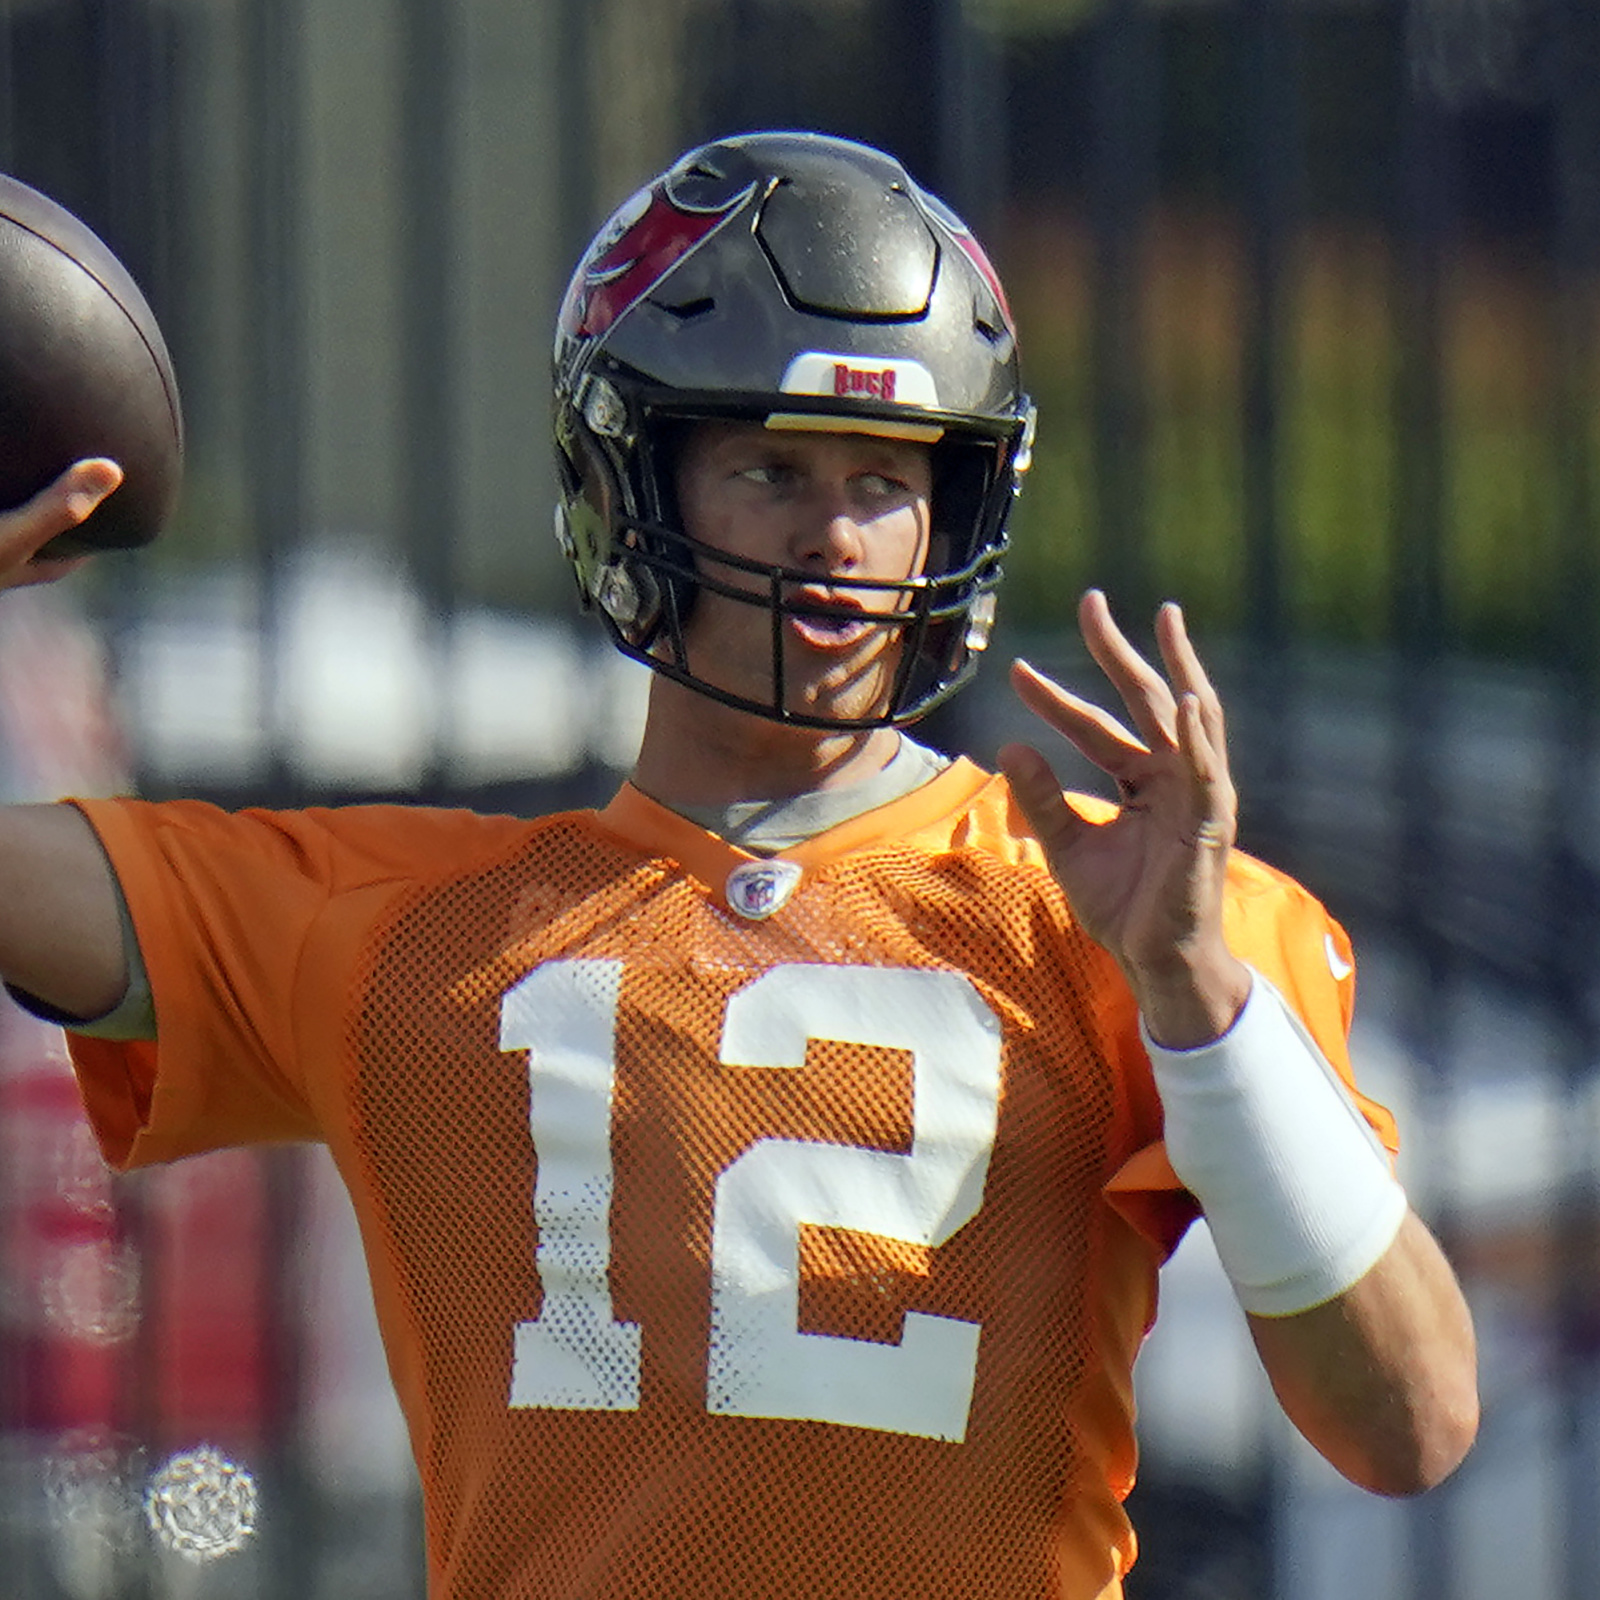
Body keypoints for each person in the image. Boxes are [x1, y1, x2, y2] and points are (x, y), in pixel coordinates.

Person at [0, 131, 1474, 1600]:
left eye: (885, 479)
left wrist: (1200, 996)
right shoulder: (402, 924)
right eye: (770, 468)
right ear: (633, 476)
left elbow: (1409, 1423)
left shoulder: (1142, 921)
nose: (835, 536)